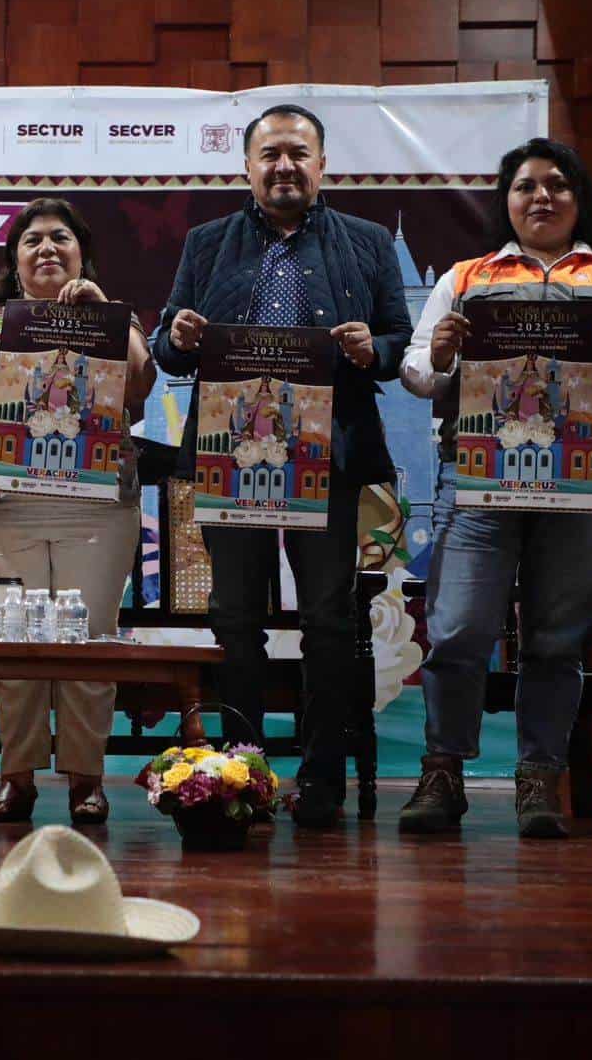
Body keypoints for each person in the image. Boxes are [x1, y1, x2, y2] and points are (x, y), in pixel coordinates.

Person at [398, 137, 592, 839]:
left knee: (556, 639)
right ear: (507, 202)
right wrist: (437, 355)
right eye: (526, 185)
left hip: (588, 486)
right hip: (478, 482)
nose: (541, 197)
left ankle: (539, 781)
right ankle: (443, 774)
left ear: (578, 198)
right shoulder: (469, 277)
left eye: (556, 184)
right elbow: (417, 372)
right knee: (458, 630)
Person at [150, 103, 413, 828]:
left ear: (322, 165)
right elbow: (169, 346)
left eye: (298, 153)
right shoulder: (208, 244)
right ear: (248, 167)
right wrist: (175, 333)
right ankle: (242, 771)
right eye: (270, 155)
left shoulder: (364, 243)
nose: (284, 167)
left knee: (329, 620)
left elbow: (402, 337)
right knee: (235, 619)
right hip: (232, 458)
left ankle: (322, 776)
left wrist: (374, 349)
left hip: (329, 459)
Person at [0, 198, 155, 824]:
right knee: (16, 647)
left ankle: (87, 780)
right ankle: (18, 779)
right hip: (4, 507)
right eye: (33, 241)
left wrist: (105, 317)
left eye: (61, 238)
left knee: (90, 646)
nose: (47, 250)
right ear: (14, 257)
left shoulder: (113, 317)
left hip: (98, 510)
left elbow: (139, 388)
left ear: (82, 252)